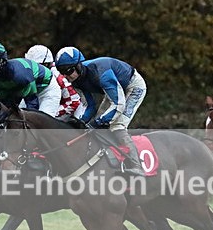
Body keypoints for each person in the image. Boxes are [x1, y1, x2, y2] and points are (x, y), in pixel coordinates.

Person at [55, 46, 146, 176]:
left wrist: (98, 122)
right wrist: (81, 123)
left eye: (68, 71)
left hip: (133, 87)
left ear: (79, 65)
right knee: (98, 122)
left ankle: (136, 164)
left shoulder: (102, 74)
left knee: (116, 125)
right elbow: (90, 106)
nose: (65, 76)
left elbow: (119, 105)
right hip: (115, 90)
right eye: (61, 72)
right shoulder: (76, 80)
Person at [0, 41, 61, 116]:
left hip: (47, 89)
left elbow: (32, 104)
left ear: (0, 60)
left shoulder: (19, 75)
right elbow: (5, 102)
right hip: (28, 89)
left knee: (39, 122)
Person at [24, 44, 83, 118]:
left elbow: (74, 102)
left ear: (46, 64)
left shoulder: (59, 76)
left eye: (35, 66)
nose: (32, 69)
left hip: (71, 112)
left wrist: (52, 113)